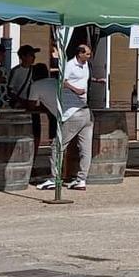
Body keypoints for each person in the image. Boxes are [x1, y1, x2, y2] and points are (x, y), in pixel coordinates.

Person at [44, 39, 95, 191]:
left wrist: (97, 80)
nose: (89, 56)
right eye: (87, 54)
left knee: (67, 146)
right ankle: (75, 179)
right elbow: (62, 81)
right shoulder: (70, 65)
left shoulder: (86, 65)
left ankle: (66, 179)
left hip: (80, 112)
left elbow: (82, 81)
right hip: (74, 110)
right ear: (79, 53)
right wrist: (75, 89)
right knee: (62, 145)